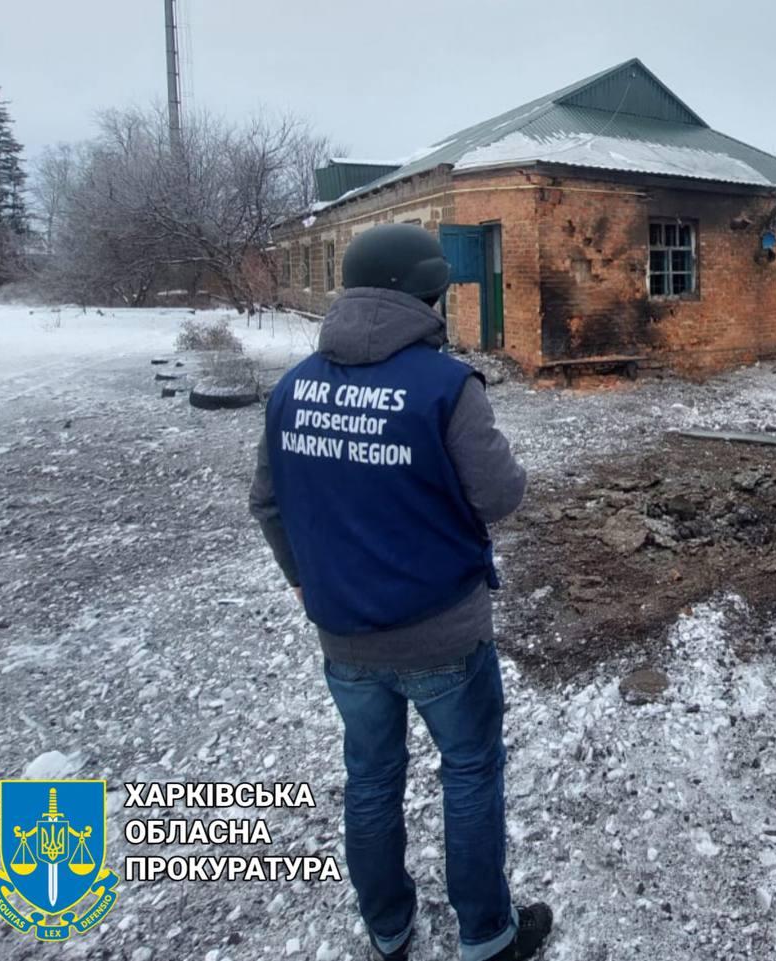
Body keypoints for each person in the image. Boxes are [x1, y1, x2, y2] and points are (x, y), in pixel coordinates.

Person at [249, 224, 552, 961]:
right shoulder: (444, 386)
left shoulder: (294, 389)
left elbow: (268, 502)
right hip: (443, 632)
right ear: (424, 292)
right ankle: (486, 935)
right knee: (471, 768)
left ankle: (388, 928)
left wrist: (301, 577)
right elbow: (501, 494)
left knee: (372, 776)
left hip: (344, 636)